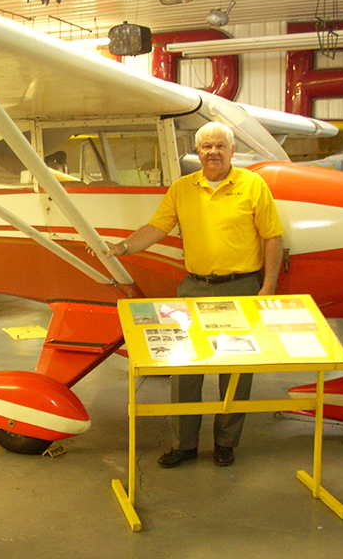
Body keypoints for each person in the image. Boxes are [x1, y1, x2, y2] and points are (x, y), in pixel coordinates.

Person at [103, 122, 284, 467]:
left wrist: (268, 286)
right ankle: (184, 444)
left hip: (242, 286)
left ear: (232, 152)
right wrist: (122, 247)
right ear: (197, 153)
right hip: (194, 286)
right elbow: (156, 228)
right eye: (206, 147)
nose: (213, 152)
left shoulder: (253, 185)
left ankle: (225, 444)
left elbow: (273, 237)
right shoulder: (182, 188)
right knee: (185, 367)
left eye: (220, 146)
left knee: (236, 369)